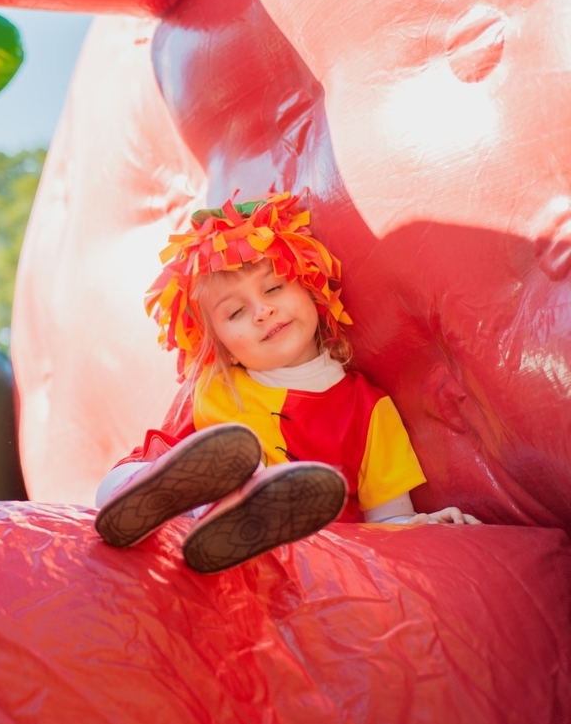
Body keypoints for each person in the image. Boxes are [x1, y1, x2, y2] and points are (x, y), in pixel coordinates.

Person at [93, 192, 480, 573]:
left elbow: (388, 519)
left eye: (274, 288)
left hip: (310, 549)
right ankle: (221, 504)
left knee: (254, 482)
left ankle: (248, 509)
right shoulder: (212, 389)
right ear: (223, 348)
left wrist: (422, 526)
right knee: (116, 482)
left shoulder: (368, 409)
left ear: (310, 288)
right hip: (194, 514)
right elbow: (163, 455)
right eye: (237, 311)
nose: (263, 311)